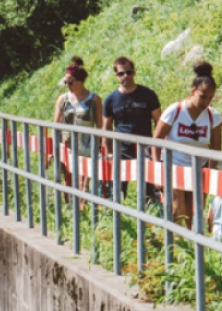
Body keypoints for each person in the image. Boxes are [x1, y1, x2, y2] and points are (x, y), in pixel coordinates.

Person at [154, 61, 222, 227]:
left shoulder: (213, 117)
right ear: (193, 91)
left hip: (198, 169)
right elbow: (155, 141)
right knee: (178, 211)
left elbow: (216, 148)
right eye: (203, 96)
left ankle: (190, 242)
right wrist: (157, 171)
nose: (206, 102)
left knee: (194, 215)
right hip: (174, 165)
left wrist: (211, 172)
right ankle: (174, 241)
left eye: (210, 98)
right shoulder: (175, 110)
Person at [102, 56, 163, 206]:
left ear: (134, 73)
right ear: (116, 76)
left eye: (129, 72)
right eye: (121, 73)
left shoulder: (148, 95)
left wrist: (158, 149)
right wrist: (108, 152)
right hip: (121, 150)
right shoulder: (111, 99)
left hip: (145, 148)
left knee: (149, 192)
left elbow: (160, 123)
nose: (126, 76)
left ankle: (151, 217)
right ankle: (117, 217)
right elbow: (106, 129)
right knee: (117, 192)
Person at [52, 57, 104, 196]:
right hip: (67, 145)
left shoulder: (94, 99)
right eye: (65, 82)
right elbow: (56, 125)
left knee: (83, 184)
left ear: (80, 81)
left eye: (70, 82)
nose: (67, 85)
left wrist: (101, 146)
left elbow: (100, 126)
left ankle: (82, 205)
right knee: (68, 182)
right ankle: (69, 206)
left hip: (87, 146)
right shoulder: (63, 99)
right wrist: (53, 149)